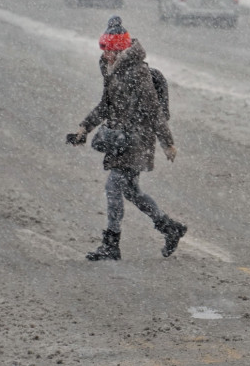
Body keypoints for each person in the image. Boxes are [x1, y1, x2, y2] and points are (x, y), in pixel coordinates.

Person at [67, 16, 186, 260]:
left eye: (110, 49)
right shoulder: (108, 67)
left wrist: (168, 143)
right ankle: (170, 228)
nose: (105, 53)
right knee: (131, 191)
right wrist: (84, 128)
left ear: (121, 49)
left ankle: (111, 244)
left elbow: (153, 110)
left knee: (113, 186)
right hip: (119, 138)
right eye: (104, 48)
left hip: (138, 140)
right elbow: (106, 104)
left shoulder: (137, 71)